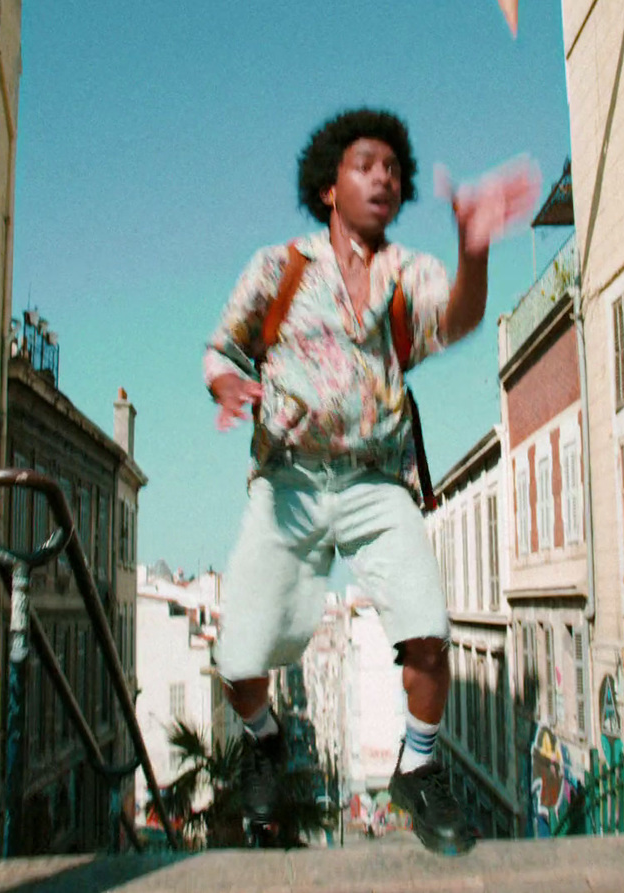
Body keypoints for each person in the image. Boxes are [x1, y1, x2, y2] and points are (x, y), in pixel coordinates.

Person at [203, 108, 537, 855]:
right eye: (365, 163)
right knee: (238, 661)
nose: (383, 175)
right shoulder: (277, 267)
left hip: (377, 480)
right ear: (329, 186)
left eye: (392, 166)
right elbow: (221, 348)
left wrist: (473, 249)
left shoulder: (407, 271)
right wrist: (225, 385)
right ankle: (263, 741)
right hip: (287, 483)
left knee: (430, 632)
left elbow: (458, 318)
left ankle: (417, 768)